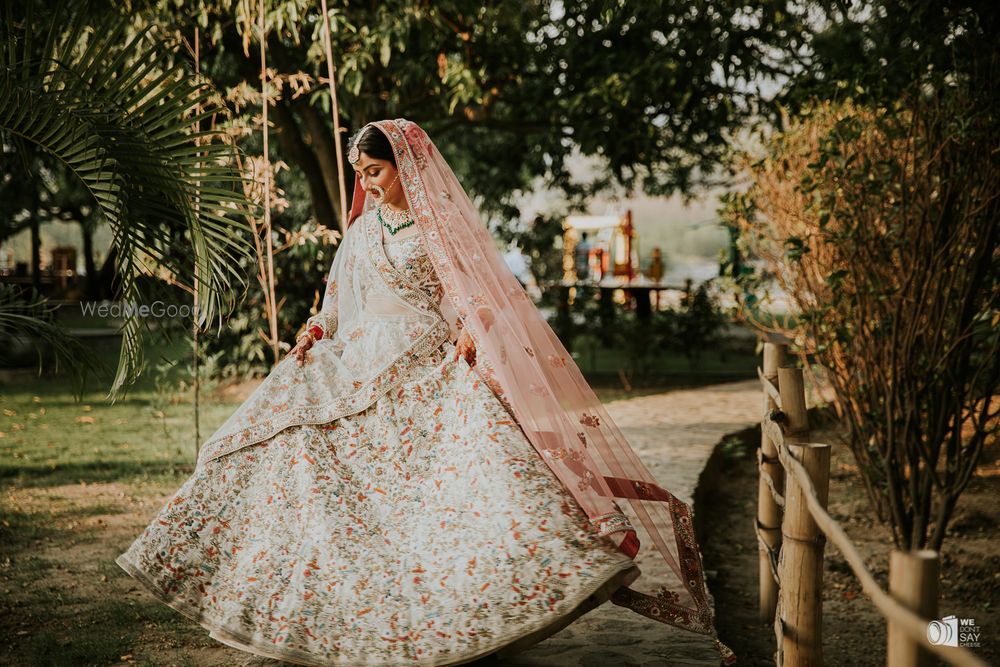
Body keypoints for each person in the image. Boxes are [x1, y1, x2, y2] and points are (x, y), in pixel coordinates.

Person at [115, 119, 733, 666]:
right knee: (279, 446)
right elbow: (336, 301)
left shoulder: (443, 232)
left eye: (376, 170)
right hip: (353, 360)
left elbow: (484, 296)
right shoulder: (360, 232)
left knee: (470, 485)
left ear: (405, 164)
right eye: (361, 173)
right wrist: (313, 330)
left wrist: (469, 330)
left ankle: (464, 611)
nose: (369, 183)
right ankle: (317, 604)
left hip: (428, 362)